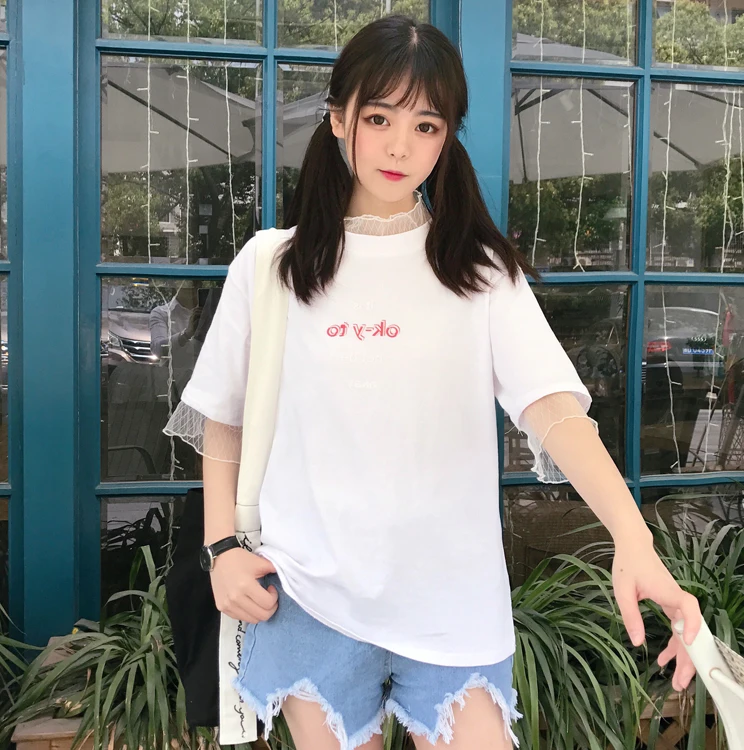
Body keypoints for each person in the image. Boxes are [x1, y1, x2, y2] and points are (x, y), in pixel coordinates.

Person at [163, 15, 702, 750]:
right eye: (379, 118)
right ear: (338, 118)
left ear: (447, 138)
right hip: (308, 595)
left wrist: (633, 539)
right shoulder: (271, 266)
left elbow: (552, 410)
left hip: (453, 602)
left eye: (426, 126)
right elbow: (222, 417)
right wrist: (222, 547)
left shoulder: (478, 271)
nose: (399, 146)